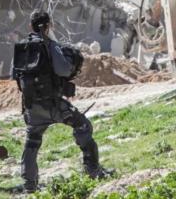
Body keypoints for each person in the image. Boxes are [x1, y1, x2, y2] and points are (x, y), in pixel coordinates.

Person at [14, 11, 110, 193]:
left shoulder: (22, 48)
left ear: (30, 26)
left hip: (32, 106)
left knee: (32, 142)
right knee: (83, 126)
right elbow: (64, 70)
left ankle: (29, 185)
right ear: (48, 25)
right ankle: (92, 170)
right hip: (54, 106)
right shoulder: (50, 46)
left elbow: (17, 77)